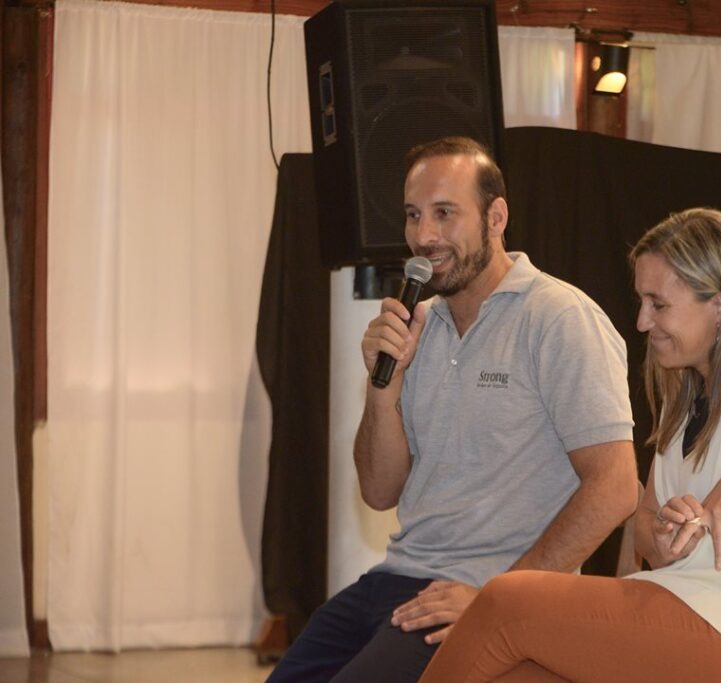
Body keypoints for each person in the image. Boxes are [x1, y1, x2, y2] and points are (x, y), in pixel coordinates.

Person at [418, 207, 721, 683]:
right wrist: (664, 539)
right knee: (518, 673)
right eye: (642, 302)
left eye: (658, 304)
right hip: (689, 608)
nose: (643, 322)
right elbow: (644, 528)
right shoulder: (684, 392)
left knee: (506, 602)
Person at [265, 137, 638, 683]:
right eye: (413, 215)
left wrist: (498, 598)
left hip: (485, 592)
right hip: (394, 579)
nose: (424, 236)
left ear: (496, 217)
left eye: (445, 213)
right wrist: (383, 387)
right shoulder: (421, 323)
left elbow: (616, 486)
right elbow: (379, 491)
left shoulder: (559, 318)